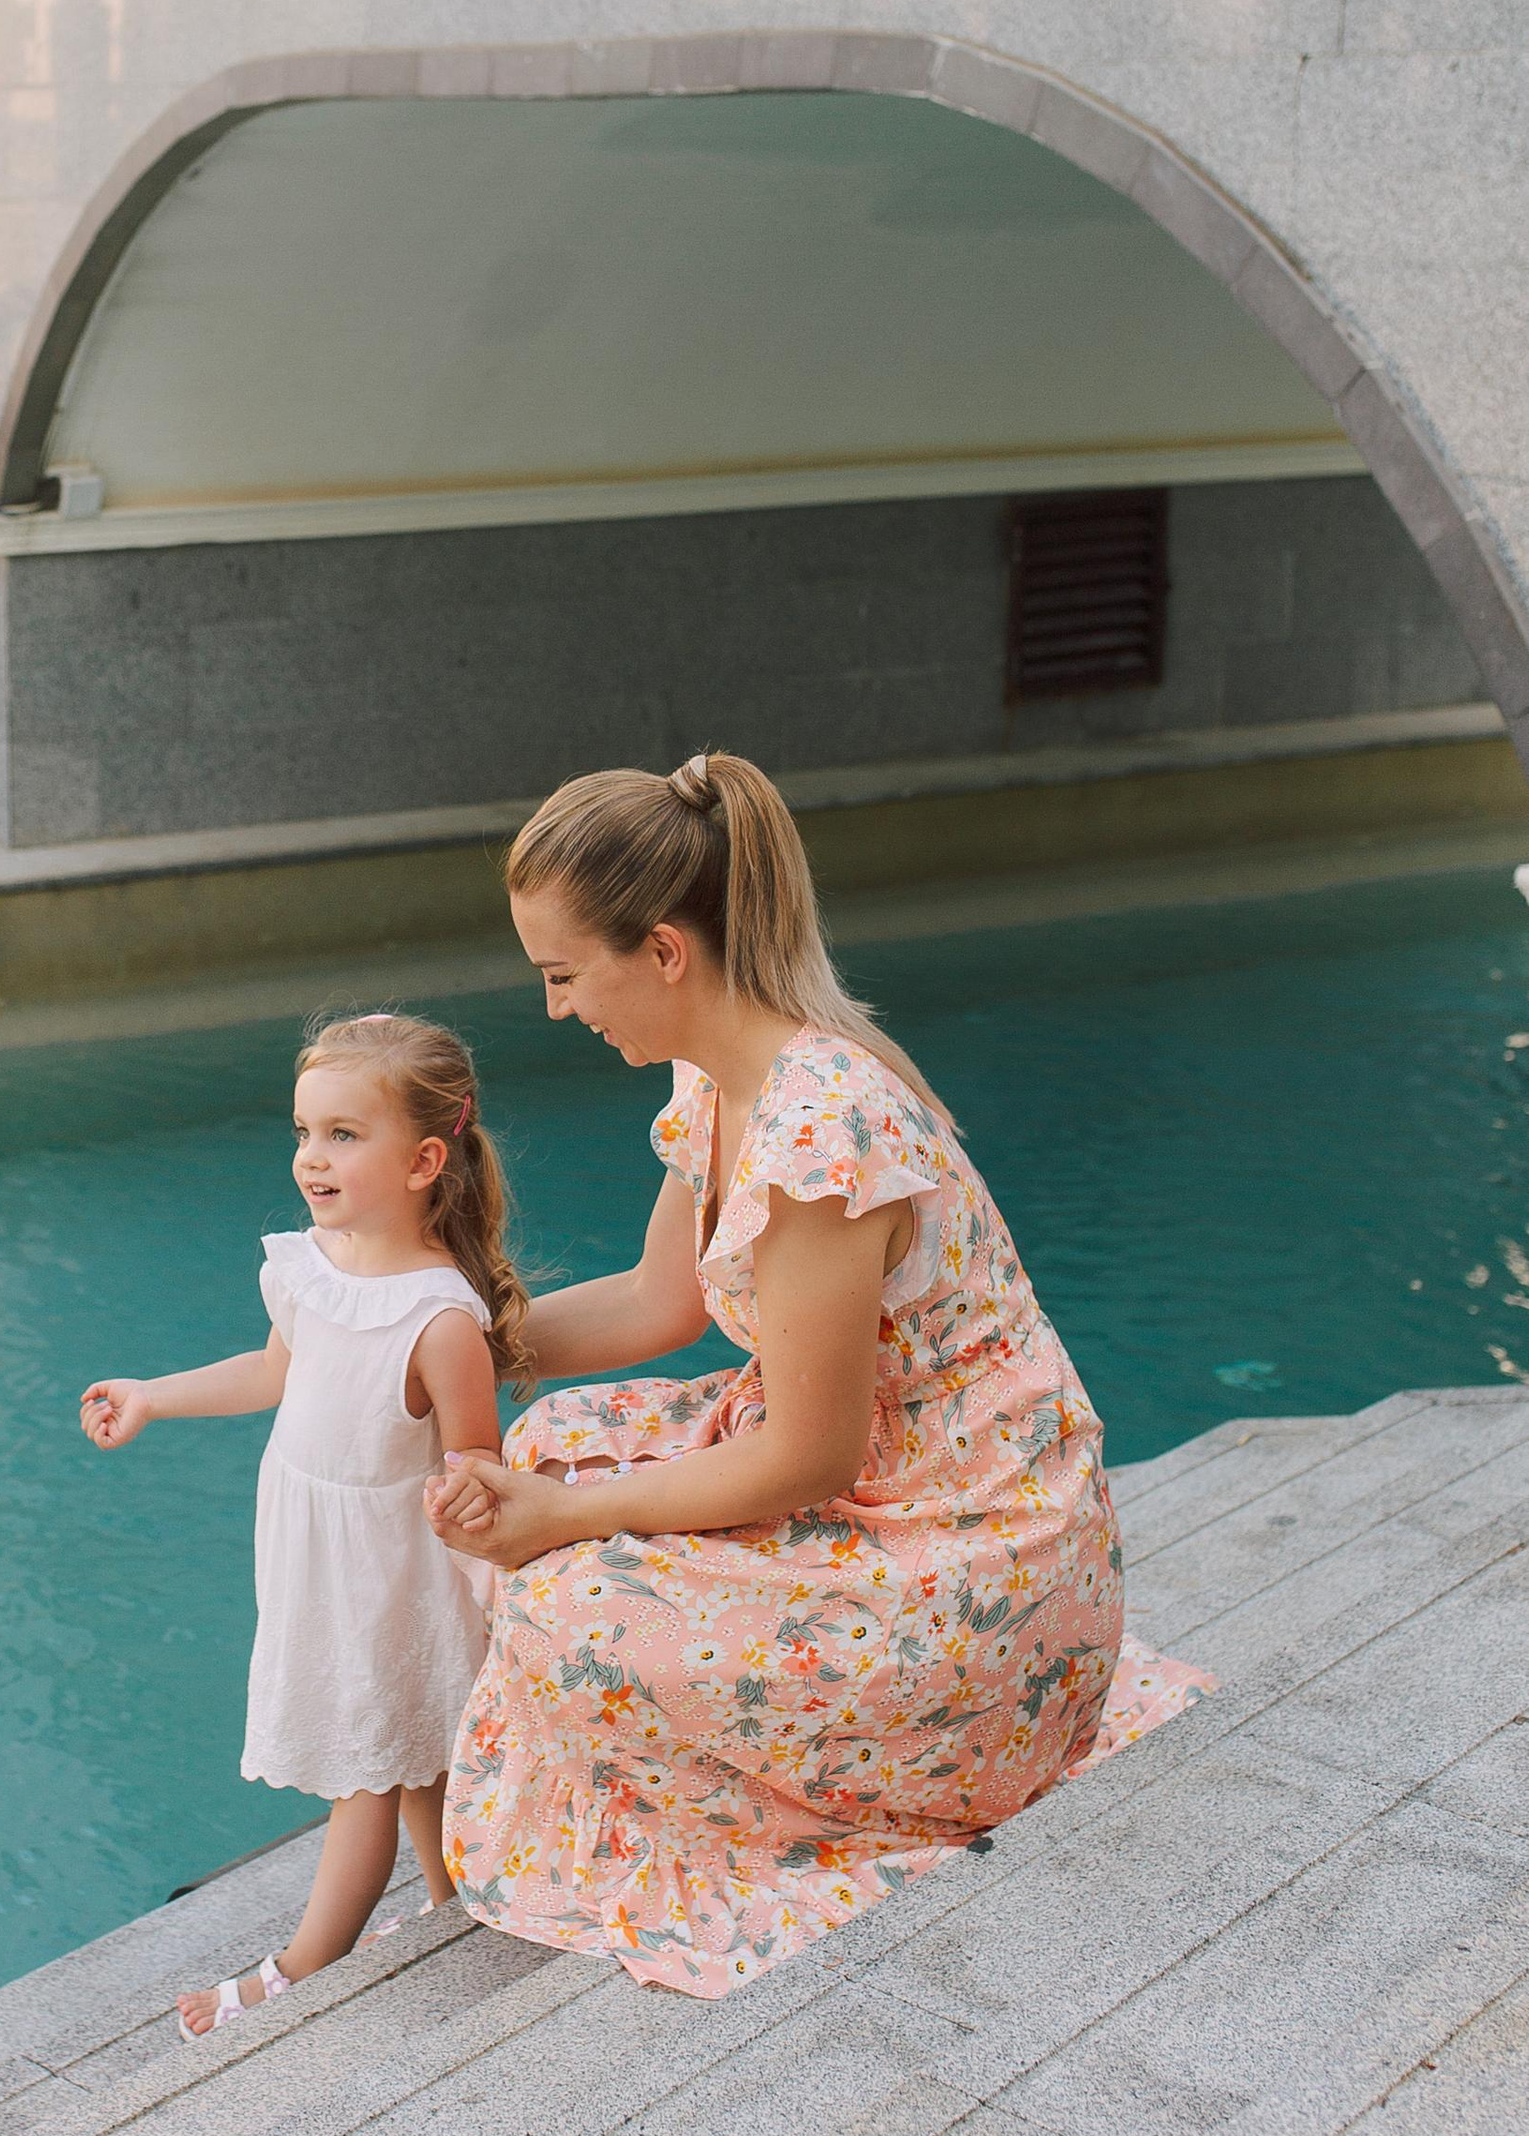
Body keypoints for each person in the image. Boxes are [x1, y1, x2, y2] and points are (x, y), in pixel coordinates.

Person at [425, 753, 1209, 1996]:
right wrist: (452, 1334)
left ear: (665, 952)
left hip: (968, 1559)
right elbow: (657, 1301)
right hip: (891, 1485)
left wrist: (567, 1521)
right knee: (545, 1447)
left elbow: (808, 1456)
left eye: (565, 974)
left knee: (565, 1607)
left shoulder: (817, 1128)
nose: (559, 1008)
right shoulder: (726, 1075)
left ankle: (887, 1779)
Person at [80, 1011, 533, 2038]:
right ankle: (450, 1898)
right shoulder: (309, 1263)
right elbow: (274, 1370)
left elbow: (477, 1467)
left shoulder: (439, 1320)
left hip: (387, 1574)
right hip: (313, 1556)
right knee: (413, 1753)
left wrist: (480, 1518)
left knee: (366, 1768)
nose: (310, 1158)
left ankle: (297, 1967)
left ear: (424, 1159)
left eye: (341, 1134)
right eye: (303, 1131)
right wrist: (154, 1393)